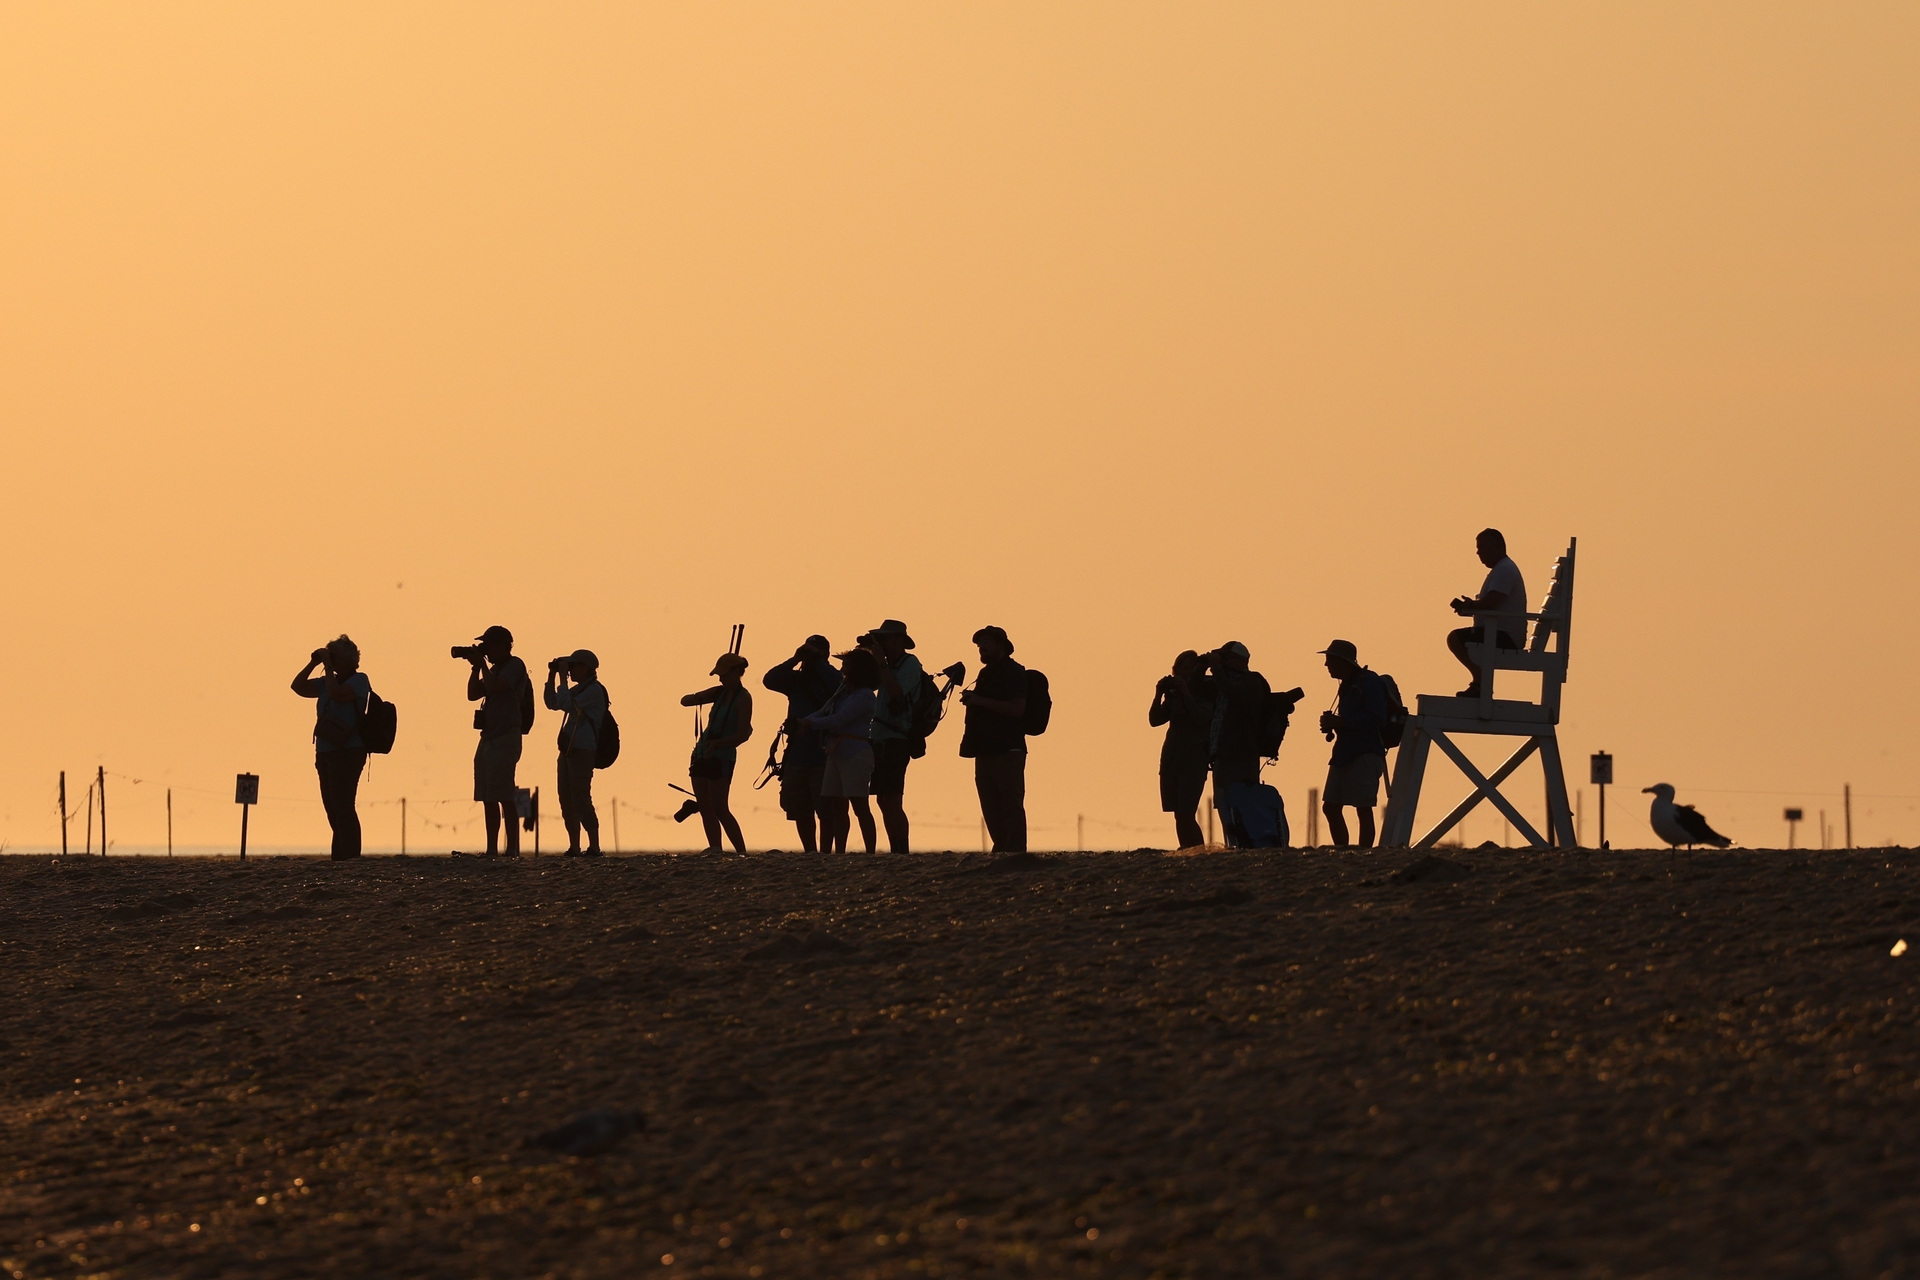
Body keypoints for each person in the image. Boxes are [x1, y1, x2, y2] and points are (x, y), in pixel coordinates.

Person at [291, 635, 370, 860]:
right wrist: (313, 663)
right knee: (332, 806)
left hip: (348, 750)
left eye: (335, 656)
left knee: (344, 804)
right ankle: (340, 855)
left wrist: (326, 666)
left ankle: (350, 856)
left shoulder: (359, 680)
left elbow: (337, 694)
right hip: (326, 751)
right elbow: (297, 686)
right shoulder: (327, 682)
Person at [762, 635, 842, 852]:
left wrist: (819, 662)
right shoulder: (797, 680)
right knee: (800, 809)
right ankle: (810, 852)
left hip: (824, 753)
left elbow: (839, 685)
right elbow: (769, 680)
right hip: (796, 753)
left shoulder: (831, 678)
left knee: (826, 809)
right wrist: (795, 659)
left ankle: (825, 852)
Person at [959, 625, 1030, 853]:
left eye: (986, 642)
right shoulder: (985, 674)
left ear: (1001, 645)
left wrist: (979, 701)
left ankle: (1016, 852)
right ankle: (1001, 849)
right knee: (990, 806)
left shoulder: (1014, 671)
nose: (981, 647)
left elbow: (1017, 708)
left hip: (1008, 750)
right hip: (984, 750)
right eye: (980, 644)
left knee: (1010, 803)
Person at [1316, 639, 1390, 849]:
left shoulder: (1369, 681)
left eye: (1329, 660)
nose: (1326, 665)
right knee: (1330, 807)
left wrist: (1341, 722)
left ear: (1342, 661)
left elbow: (1376, 718)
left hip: (1366, 753)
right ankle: (1343, 851)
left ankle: (1364, 853)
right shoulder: (1347, 686)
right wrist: (1334, 725)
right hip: (1344, 754)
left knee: (1363, 808)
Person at [805, 648, 881, 854]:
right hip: (836, 751)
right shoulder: (845, 692)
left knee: (859, 806)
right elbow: (825, 712)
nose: (842, 669)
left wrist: (811, 724)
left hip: (855, 752)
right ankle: (840, 851)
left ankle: (870, 851)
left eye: (846, 665)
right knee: (837, 806)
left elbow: (839, 720)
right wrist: (809, 720)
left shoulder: (865, 696)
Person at [465, 624, 529, 858]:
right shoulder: (494, 668)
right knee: (487, 795)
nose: (486, 650)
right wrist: (475, 668)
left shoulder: (515, 666)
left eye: (489, 645)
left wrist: (482, 665)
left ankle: (511, 849)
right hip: (488, 737)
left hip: (506, 737)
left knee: (504, 794)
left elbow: (495, 686)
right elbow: (473, 694)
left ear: (503, 645)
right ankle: (492, 848)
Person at [859, 620, 923, 853]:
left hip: (897, 738)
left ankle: (901, 850)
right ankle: (894, 847)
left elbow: (896, 692)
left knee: (893, 799)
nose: (882, 643)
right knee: (882, 799)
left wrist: (881, 664)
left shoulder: (910, 664)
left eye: (885, 638)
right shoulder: (888, 664)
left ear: (898, 639)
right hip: (879, 738)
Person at [681, 652, 754, 854]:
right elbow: (685, 701)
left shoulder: (744, 698)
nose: (721, 678)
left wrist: (719, 744)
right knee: (705, 806)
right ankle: (715, 849)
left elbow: (742, 734)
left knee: (720, 806)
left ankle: (741, 851)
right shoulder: (719, 694)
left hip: (722, 757)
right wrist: (705, 695)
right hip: (701, 753)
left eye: (724, 675)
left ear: (737, 673)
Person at [1200, 641, 1272, 840]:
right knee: (1223, 802)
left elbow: (1234, 693)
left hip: (1242, 753)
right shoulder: (1221, 681)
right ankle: (1232, 842)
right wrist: (1203, 665)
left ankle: (1248, 841)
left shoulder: (1251, 681)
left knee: (1244, 801)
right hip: (1222, 754)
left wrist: (1216, 669)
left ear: (1240, 661)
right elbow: (1197, 686)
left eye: (1225, 658)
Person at [1447, 528, 1529, 697]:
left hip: (1504, 637)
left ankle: (1480, 681)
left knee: (1454, 639)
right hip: (1498, 633)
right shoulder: (1502, 569)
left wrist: (1472, 605)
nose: (1478, 552)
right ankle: (1479, 681)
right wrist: (1471, 606)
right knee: (1457, 638)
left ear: (1498, 547)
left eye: (1483, 547)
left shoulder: (1504, 570)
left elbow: (1492, 602)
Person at [545, 649, 609, 857]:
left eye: (574, 667)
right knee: (566, 797)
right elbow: (552, 703)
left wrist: (562, 679)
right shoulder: (579, 690)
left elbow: (564, 703)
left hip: (583, 749)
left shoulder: (594, 691)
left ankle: (594, 846)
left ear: (586, 668)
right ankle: (574, 846)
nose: (571, 671)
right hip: (568, 749)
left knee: (581, 796)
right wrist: (552, 676)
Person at [1149, 650, 1214, 850]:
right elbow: (1155, 720)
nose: (1184, 675)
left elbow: (1201, 719)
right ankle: (1187, 849)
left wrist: (1186, 693)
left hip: (1194, 759)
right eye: (1180, 670)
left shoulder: (1207, 690)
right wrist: (1159, 693)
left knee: (1187, 811)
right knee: (1178, 813)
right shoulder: (1174, 695)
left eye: (1189, 670)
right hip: (1172, 757)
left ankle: (1197, 850)